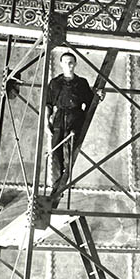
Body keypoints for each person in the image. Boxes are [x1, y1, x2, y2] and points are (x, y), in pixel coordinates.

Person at [46, 50, 96, 193]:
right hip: (58, 120)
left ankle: (64, 183)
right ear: (61, 64)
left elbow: (91, 101)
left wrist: (99, 96)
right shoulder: (55, 83)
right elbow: (48, 104)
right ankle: (56, 186)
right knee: (56, 153)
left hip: (75, 119)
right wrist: (46, 124)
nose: (69, 65)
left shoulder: (81, 83)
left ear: (75, 65)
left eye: (71, 63)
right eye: (66, 63)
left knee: (69, 152)